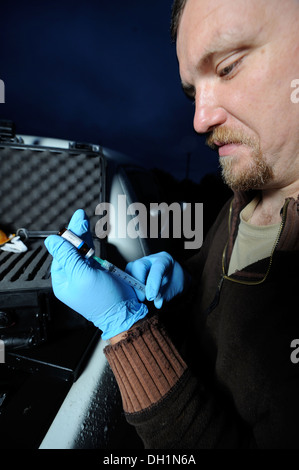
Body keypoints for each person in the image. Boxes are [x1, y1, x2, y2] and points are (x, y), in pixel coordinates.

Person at [45, 0, 299, 449]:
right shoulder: (244, 200)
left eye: (228, 67)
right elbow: (220, 282)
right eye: (192, 91)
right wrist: (186, 278)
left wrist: (126, 328)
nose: (200, 119)